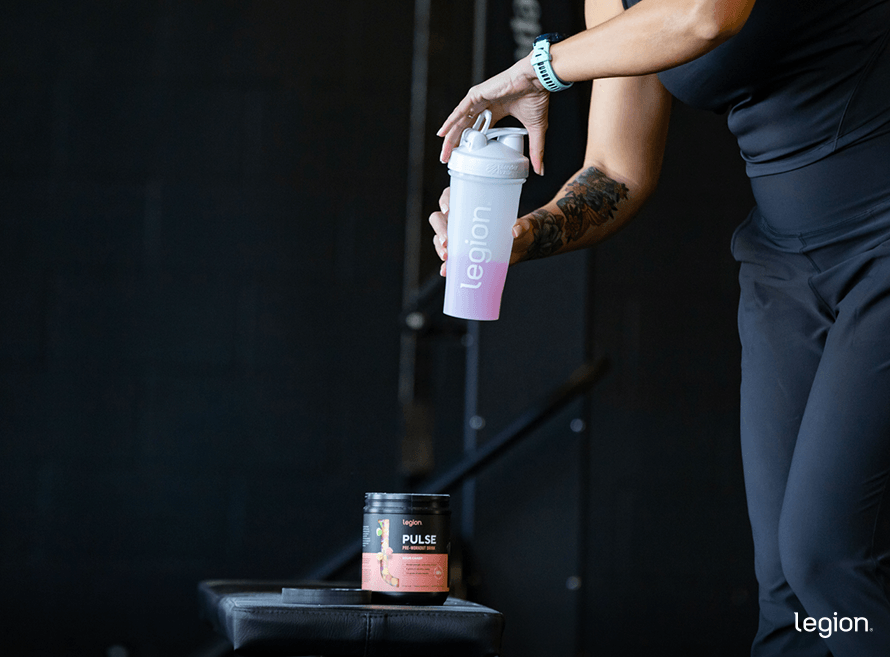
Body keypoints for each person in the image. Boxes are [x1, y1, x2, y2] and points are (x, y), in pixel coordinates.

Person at [428, 0, 890, 655]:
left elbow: (704, 16)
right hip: (785, 269)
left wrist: (538, 70)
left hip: (882, 243)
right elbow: (616, 170)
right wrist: (521, 234)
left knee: (829, 558)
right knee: (788, 595)